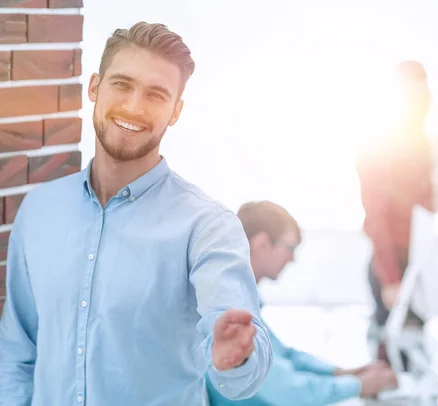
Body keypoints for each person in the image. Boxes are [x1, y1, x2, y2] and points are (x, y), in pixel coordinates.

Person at [0, 22, 272, 406]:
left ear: (175, 111)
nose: (133, 107)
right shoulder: (40, 211)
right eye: (122, 85)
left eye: (156, 95)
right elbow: (17, 349)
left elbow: (240, 356)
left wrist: (235, 357)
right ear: (95, 86)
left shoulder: (207, 226)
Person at [207, 201, 399, 406]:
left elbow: (285, 356)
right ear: (262, 244)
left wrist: (342, 373)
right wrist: (358, 385)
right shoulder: (228, 308)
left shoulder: (244, 300)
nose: (292, 259)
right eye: (290, 248)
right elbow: (285, 390)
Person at [356, 60, 434, 331]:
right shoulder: (378, 142)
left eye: (421, 93)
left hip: (416, 262)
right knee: (388, 357)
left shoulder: (421, 141)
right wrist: (390, 278)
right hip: (392, 265)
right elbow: (375, 218)